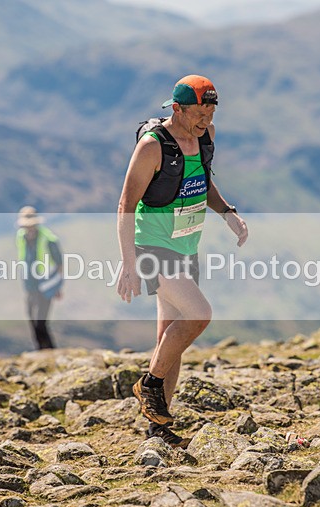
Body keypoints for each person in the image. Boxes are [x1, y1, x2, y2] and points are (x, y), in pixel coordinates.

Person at [116, 75, 249, 448]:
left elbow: (202, 182)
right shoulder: (151, 147)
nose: (204, 122)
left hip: (185, 246)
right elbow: (126, 206)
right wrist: (129, 262)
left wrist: (227, 213)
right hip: (151, 247)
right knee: (198, 314)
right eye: (197, 115)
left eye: (210, 114)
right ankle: (150, 384)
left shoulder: (205, 136)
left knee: (167, 338)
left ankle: (158, 427)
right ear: (176, 109)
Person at [16, 206, 63, 350]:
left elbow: (59, 264)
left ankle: (49, 350)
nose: (29, 229)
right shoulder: (20, 236)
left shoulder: (49, 240)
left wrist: (57, 287)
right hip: (30, 285)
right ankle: (41, 349)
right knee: (31, 318)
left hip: (46, 285)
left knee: (41, 321)